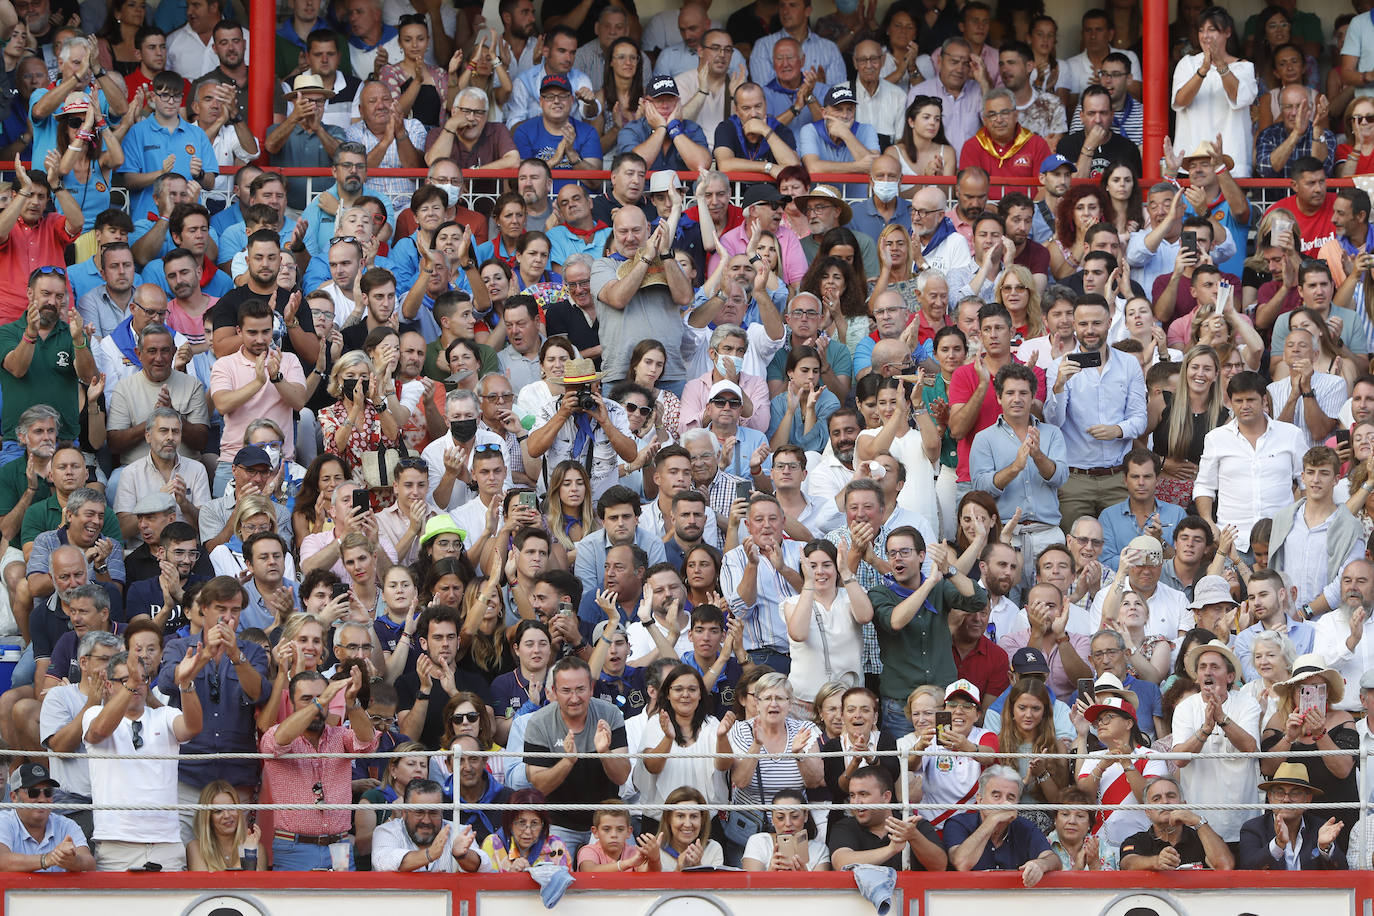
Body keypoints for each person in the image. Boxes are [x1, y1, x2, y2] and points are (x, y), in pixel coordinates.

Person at [83, 648, 205, 871]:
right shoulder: (93, 713)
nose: (136, 684)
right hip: (116, 843)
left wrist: (186, 684)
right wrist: (130, 686)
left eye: (142, 679)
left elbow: (193, 727)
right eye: (126, 679)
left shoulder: (164, 715)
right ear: (109, 685)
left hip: (166, 842)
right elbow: (99, 731)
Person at [261, 667, 376, 871]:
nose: (317, 704)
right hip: (293, 849)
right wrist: (320, 702)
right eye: (307, 698)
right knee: (295, 905)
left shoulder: (341, 735)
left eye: (322, 697)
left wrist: (352, 702)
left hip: (339, 846)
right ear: (291, 703)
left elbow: (368, 743)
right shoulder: (276, 733)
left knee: (343, 904)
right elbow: (279, 742)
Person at [1194, 371, 1306, 553]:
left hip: (1282, 539)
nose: (1244, 406)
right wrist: (1209, 523)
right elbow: (1204, 486)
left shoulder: (1291, 435)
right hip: (1233, 542)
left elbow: (1305, 482)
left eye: (1251, 400)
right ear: (1231, 403)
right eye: (1238, 401)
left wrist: (1299, 522)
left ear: (1264, 401)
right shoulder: (1216, 438)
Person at [1170, 6, 1258, 177]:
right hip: (1191, 160)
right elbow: (1180, 101)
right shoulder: (1187, 64)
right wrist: (1203, 70)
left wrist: (1220, 64)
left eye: (1212, 30)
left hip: (1232, 162)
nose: (1205, 35)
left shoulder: (1244, 67)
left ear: (1228, 32)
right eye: (1201, 30)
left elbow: (1239, 97)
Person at [944, 765, 1060, 884]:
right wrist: (992, 820)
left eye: (1010, 798)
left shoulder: (1025, 827)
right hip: (966, 898)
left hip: (1013, 899)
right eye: (996, 796)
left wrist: (1040, 864)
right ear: (980, 800)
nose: (1004, 803)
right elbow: (962, 863)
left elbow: (1054, 859)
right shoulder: (958, 824)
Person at [827, 764, 946, 870]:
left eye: (863, 794)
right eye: (852, 795)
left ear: (886, 797)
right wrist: (891, 849)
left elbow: (940, 866)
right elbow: (841, 863)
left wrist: (914, 837)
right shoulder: (845, 827)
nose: (856, 802)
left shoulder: (913, 826)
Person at [1237, 762, 1348, 869]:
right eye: (1280, 793)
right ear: (1270, 797)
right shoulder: (1253, 828)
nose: (1286, 799)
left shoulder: (1319, 827)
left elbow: (1343, 870)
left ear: (1308, 799)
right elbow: (1248, 868)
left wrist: (1325, 848)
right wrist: (1277, 845)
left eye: (1295, 793)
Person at [372, 777, 492, 873]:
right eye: (419, 812)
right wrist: (429, 854)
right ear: (404, 812)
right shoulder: (387, 831)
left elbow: (484, 867)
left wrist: (463, 855)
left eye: (434, 812)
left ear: (442, 812)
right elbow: (383, 862)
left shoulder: (460, 832)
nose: (426, 820)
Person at [1118, 775, 1236, 869]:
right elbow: (1128, 864)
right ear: (1147, 811)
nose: (1165, 802)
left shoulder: (1203, 837)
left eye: (1171, 796)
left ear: (1183, 805)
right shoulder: (1136, 841)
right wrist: (1157, 862)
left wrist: (1197, 821)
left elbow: (1225, 866)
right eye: (1156, 798)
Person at [0, 762, 95, 872]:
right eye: (33, 792)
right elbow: (2, 860)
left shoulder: (66, 825)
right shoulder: (3, 822)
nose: (42, 799)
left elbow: (90, 863)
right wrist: (47, 859)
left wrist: (73, 861)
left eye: (48, 792)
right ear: (14, 797)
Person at [186, 781, 263, 871]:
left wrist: (250, 851)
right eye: (218, 811)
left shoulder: (256, 846)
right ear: (208, 818)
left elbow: (255, 884)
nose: (227, 815)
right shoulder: (196, 847)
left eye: (231, 808)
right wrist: (245, 855)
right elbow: (204, 884)